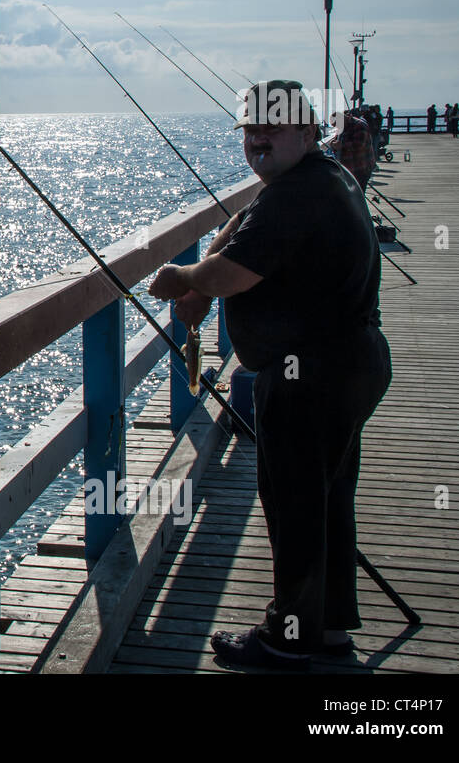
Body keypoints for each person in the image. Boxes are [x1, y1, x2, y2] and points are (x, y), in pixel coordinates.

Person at [149, 80, 391, 670]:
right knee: (327, 499)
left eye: (273, 128)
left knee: (295, 503)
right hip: (346, 364)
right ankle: (327, 629)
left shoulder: (298, 194)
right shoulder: (319, 177)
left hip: (312, 375)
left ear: (307, 131)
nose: (258, 138)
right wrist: (207, 275)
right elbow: (245, 228)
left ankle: (287, 639)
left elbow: (233, 271)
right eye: (250, 129)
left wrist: (184, 281)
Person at [328, 111, 374, 191]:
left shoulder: (360, 125)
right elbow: (336, 140)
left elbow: (359, 145)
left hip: (360, 168)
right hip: (348, 169)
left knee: (358, 197)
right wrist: (332, 143)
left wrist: (341, 145)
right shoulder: (342, 127)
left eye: (337, 125)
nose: (337, 128)